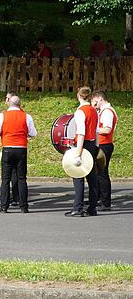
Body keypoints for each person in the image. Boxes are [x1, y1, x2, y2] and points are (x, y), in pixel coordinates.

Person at [0, 95, 36, 213]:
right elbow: (33, 133)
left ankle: (4, 206)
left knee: (5, 179)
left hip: (7, 148)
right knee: (22, 178)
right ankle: (23, 206)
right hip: (21, 148)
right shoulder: (26, 116)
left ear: (9, 103)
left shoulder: (2, 116)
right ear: (20, 105)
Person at [66, 87, 101, 217]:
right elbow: (97, 131)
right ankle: (92, 208)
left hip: (83, 144)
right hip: (92, 144)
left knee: (78, 177)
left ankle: (78, 208)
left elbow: (81, 133)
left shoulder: (80, 112)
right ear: (90, 97)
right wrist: (96, 147)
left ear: (78, 96)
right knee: (92, 178)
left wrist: (78, 154)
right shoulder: (94, 111)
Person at [92, 92, 116, 211]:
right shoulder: (102, 111)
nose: (94, 103)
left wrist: (93, 129)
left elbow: (107, 129)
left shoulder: (107, 112)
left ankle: (106, 202)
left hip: (105, 144)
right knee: (98, 173)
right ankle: (99, 198)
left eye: (94, 101)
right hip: (101, 144)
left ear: (100, 99)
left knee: (102, 174)